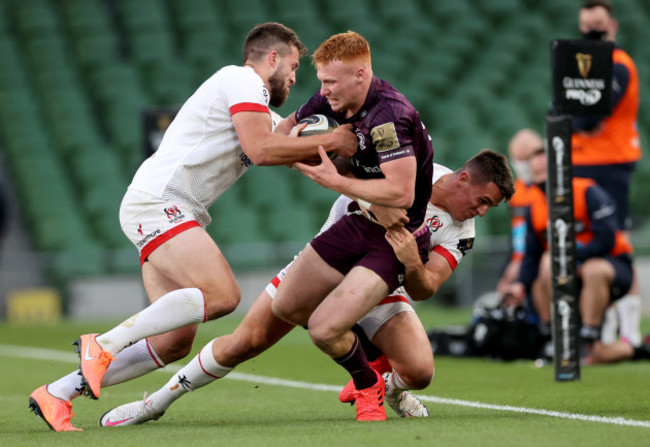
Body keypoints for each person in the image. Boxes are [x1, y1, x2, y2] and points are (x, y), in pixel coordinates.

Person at [28, 22, 359, 432]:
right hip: (161, 202)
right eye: (292, 66)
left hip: (160, 206)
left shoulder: (256, 108)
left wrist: (350, 146)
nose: (294, 77)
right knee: (222, 295)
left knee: (173, 343)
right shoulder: (241, 80)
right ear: (271, 58)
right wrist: (330, 141)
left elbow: (292, 146)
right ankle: (104, 344)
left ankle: (57, 393)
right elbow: (262, 148)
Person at [96, 150, 513, 427]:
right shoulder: (409, 173)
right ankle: (153, 405)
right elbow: (349, 176)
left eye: (487, 208)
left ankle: (384, 389)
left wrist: (410, 261)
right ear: (462, 179)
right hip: (323, 270)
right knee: (244, 343)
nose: (479, 212)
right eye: (482, 200)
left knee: (421, 372)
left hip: (382, 285)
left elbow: (428, 286)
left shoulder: (462, 230)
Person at [269, 31, 434, 421]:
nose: (322, 91)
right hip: (360, 219)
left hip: (396, 236)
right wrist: (324, 144)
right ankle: (369, 373)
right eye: (321, 81)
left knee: (324, 330)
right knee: (287, 305)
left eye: (331, 82)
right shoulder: (329, 100)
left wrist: (334, 179)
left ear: (360, 76)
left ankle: (367, 386)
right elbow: (275, 143)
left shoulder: (390, 115)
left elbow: (401, 193)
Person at [504, 145, 634, 360]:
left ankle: (588, 338)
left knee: (590, 268)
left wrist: (571, 257)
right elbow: (532, 254)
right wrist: (520, 284)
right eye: (537, 175)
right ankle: (552, 337)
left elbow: (606, 240)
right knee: (542, 264)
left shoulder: (587, 191)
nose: (543, 181)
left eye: (547, 173)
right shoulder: (534, 205)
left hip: (610, 265)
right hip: (563, 271)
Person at [571, 0, 641, 233]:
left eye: (599, 24)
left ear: (613, 25)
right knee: (580, 235)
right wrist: (576, 121)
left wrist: (575, 119)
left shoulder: (619, 65)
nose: (592, 30)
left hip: (611, 160)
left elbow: (589, 117)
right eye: (586, 24)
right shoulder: (580, 64)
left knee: (615, 237)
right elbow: (556, 112)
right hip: (579, 160)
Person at [497, 129, 544, 306]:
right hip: (522, 258)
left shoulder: (549, 187)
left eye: (527, 159)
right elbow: (517, 234)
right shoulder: (518, 191)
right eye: (519, 160)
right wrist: (510, 268)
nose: (523, 165)